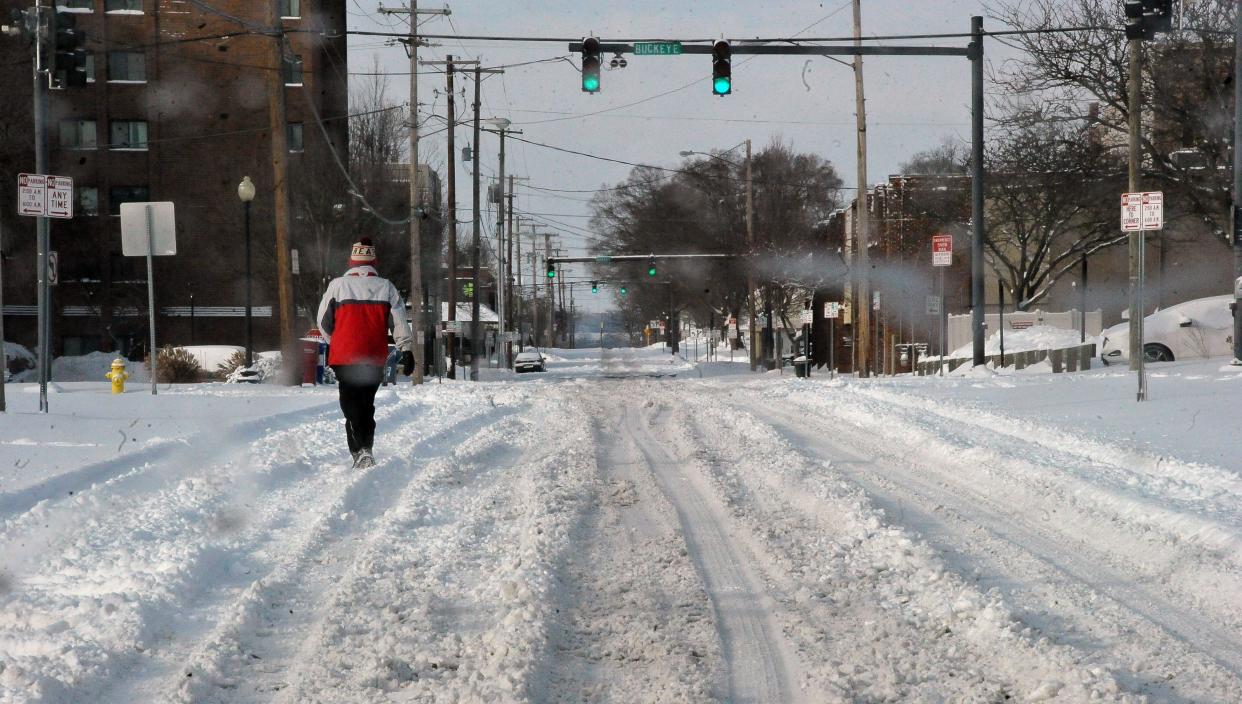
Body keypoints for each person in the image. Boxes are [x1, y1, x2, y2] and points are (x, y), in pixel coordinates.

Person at [317, 237, 414, 468]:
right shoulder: (386, 287)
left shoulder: (337, 286)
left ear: (351, 262)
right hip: (373, 357)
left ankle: (360, 450)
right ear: (374, 261)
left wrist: (337, 340)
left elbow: (323, 322)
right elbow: (399, 322)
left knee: (350, 404)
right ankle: (365, 448)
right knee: (366, 404)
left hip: (345, 358)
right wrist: (406, 349)